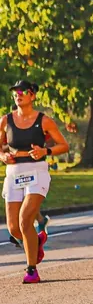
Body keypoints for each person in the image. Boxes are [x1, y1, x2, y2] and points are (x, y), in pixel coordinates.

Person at [1, 80, 69, 283]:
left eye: (22, 91)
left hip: (36, 171)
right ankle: (36, 242)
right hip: (13, 171)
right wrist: (3, 156)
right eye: (15, 92)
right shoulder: (6, 120)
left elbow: (63, 145)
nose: (18, 95)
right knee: (13, 228)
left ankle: (31, 269)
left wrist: (45, 151)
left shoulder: (44, 120)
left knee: (25, 219)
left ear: (32, 95)